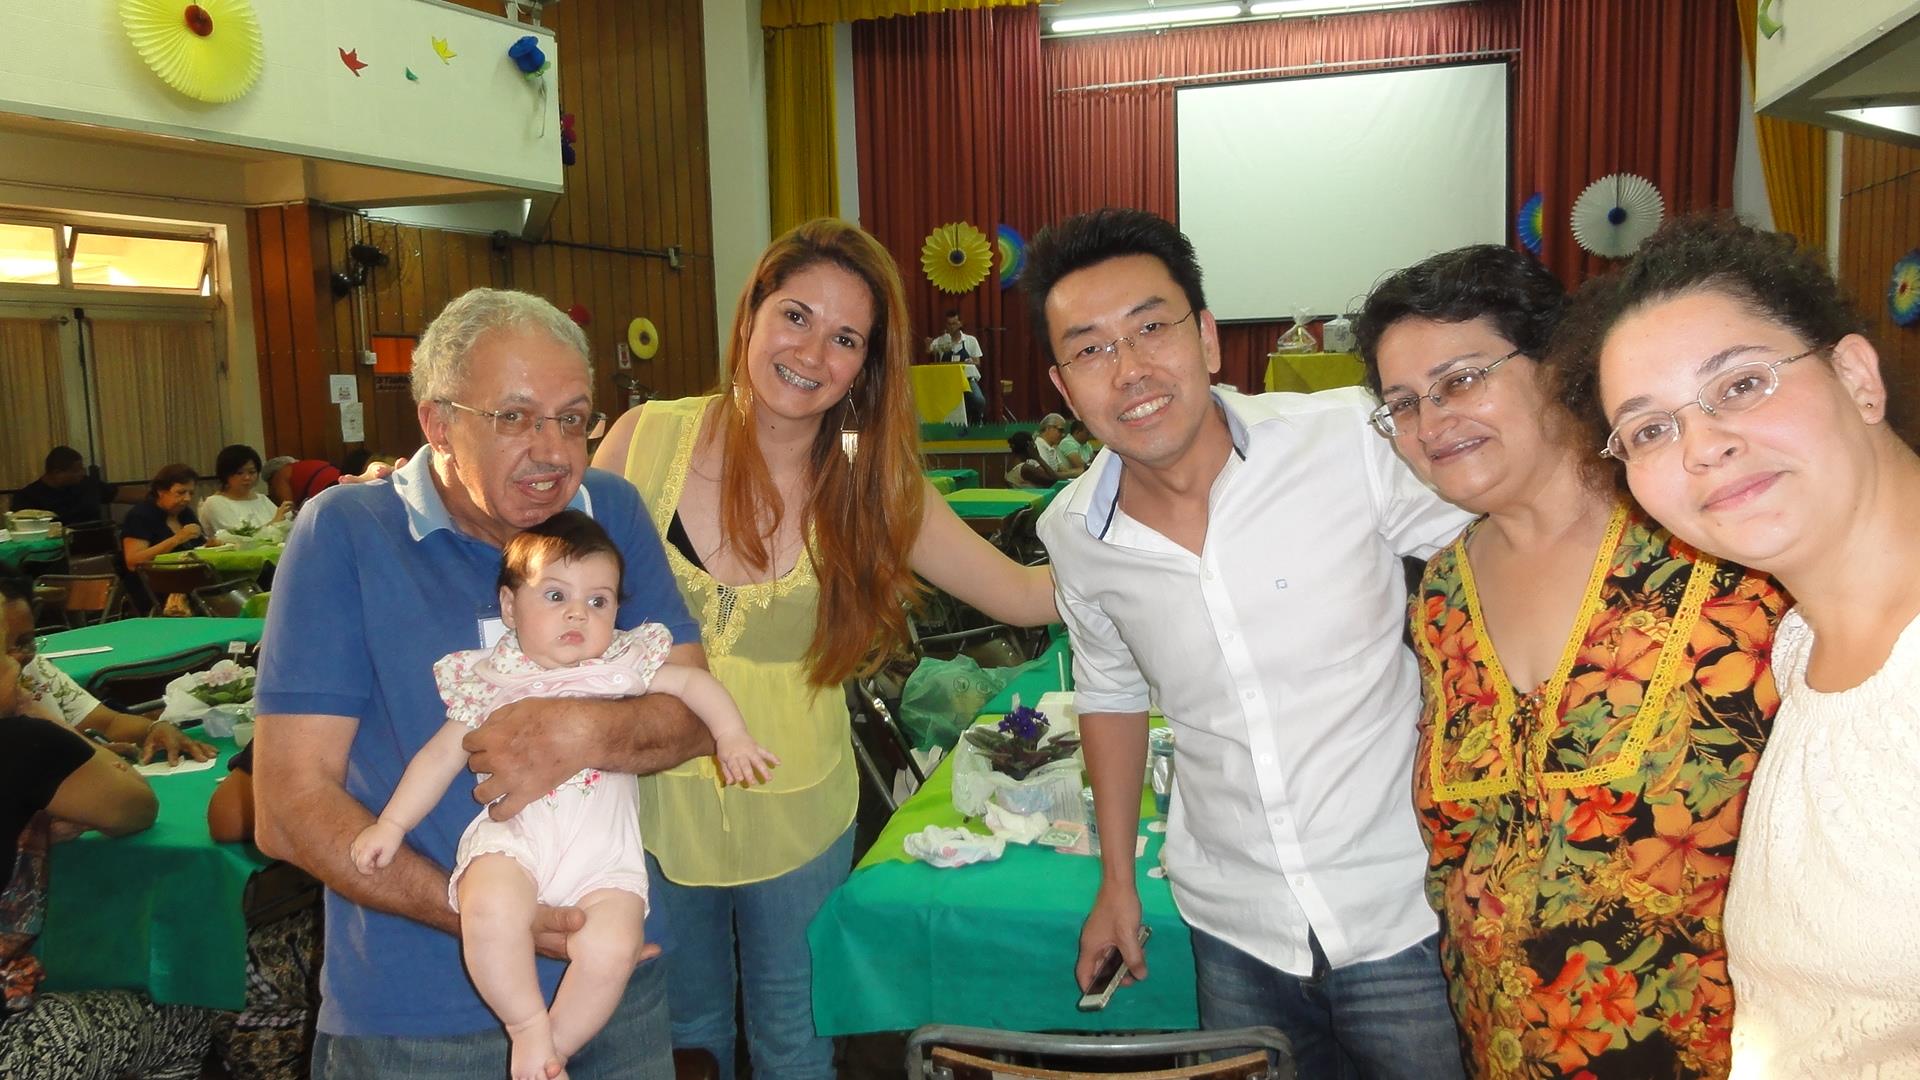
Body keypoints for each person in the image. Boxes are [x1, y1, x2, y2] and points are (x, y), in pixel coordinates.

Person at [591, 218, 1057, 1078]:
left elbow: (1026, 594)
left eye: (845, 338)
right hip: (643, 800)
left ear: (866, 366)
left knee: (795, 1043)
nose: (811, 352)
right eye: (796, 316)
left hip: (798, 807)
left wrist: (1162, 540)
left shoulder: (874, 482)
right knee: (679, 1039)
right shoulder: (641, 440)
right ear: (752, 314)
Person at [1025, 208, 1474, 1079]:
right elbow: (1111, 693)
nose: (1129, 369)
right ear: (1063, 387)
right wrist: (1116, 882)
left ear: (1206, 337)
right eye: (1091, 349)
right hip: (1233, 929)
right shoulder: (1075, 532)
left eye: (1151, 329)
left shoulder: (1348, 439)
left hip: (1402, 908)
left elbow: (1496, 545)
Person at [252, 287, 714, 1080]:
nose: (554, 450)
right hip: (420, 1014)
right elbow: (288, 809)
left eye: (573, 418)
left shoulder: (607, 510)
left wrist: (580, 732)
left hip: (612, 975)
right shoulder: (347, 532)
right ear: (438, 423)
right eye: (515, 417)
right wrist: (484, 913)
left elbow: (694, 714)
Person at [1355, 244, 1783, 1078]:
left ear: (1557, 366)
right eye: (1402, 404)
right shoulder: (1442, 596)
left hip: (1714, 1048)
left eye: (1460, 380)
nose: (1431, 425)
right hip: (1499, 1045)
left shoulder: (1713, 549)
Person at [1569, 213, 1920, 1076]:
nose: (1704, 447)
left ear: (1857, 377)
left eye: (1742, 384)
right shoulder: (1806, 648)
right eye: (1650, 430)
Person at [348, 510, 775, 1080]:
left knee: (614, 949)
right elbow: (439, 756)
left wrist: (732, 735)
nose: (578, 613)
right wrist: (392, 825)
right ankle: (526, 1025)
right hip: (514, 842)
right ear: (509, 607)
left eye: (598, 601)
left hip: (604, 860)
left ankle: (553, 1051)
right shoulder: (493, 681)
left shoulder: (621, 667)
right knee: (488, 910)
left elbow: (694, 683)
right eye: (555, 596)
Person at [0, 656, 216, 1080]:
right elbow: (137, 805)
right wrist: (39, 714)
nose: (17, 661)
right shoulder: (23, 742)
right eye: (5, 652)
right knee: (185, 1018)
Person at [1, 577, 214, 764]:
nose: (17, 657)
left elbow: (110, 723)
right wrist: (80, 755)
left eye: (25, 642)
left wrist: (155, 729)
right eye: (3, 647)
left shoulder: (36, 669)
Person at [120, 462, 211, 570]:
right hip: (155, 577)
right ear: (161, 491)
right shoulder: (140, 516)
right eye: (180, 492)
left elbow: (200, 547)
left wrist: (211, 545)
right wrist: (177, 539)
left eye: (191, 493)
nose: (187, 498)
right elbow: (133, 562)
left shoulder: (186, 513)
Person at [8, 446, 131, 526]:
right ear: (57, 473)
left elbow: (119, 494)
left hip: (96, 545)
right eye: (76, 471)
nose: (82, 473)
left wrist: (145, 501)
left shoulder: (87, 484)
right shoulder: (27, 497)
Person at [199, 445, 291, 538]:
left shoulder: (262, 499)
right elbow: (238, 537)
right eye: (239, 473)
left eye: (252, 472)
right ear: (225, 474)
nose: (247, 477)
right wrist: (274, 523)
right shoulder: (215, 503)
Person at [927, 309, 987, 424]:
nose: (951, 327)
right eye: (949, 324)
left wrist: (970, 361)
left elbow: (978, 362)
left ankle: (976, 424)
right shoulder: (941, 341)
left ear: (960, 324)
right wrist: (928, 344)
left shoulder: (970, 340)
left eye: (954, 324)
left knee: (979, 401)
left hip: (967, 379)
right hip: (946, 381)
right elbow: (929, 351)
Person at [261, 456, 343, 511]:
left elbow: (288, 508)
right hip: (343, 484)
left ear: (270, 478)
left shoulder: (280, 475)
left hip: (327, 493)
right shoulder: (309, 464)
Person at [1033, 413, 1085, 477]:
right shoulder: (1038, 446)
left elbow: (1064, 471)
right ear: (1048, 428)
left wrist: (1081, 472)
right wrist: (1080, 472)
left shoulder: (1052, 448)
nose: (1063, 435)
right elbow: (1047, 475)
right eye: (1060, 430)